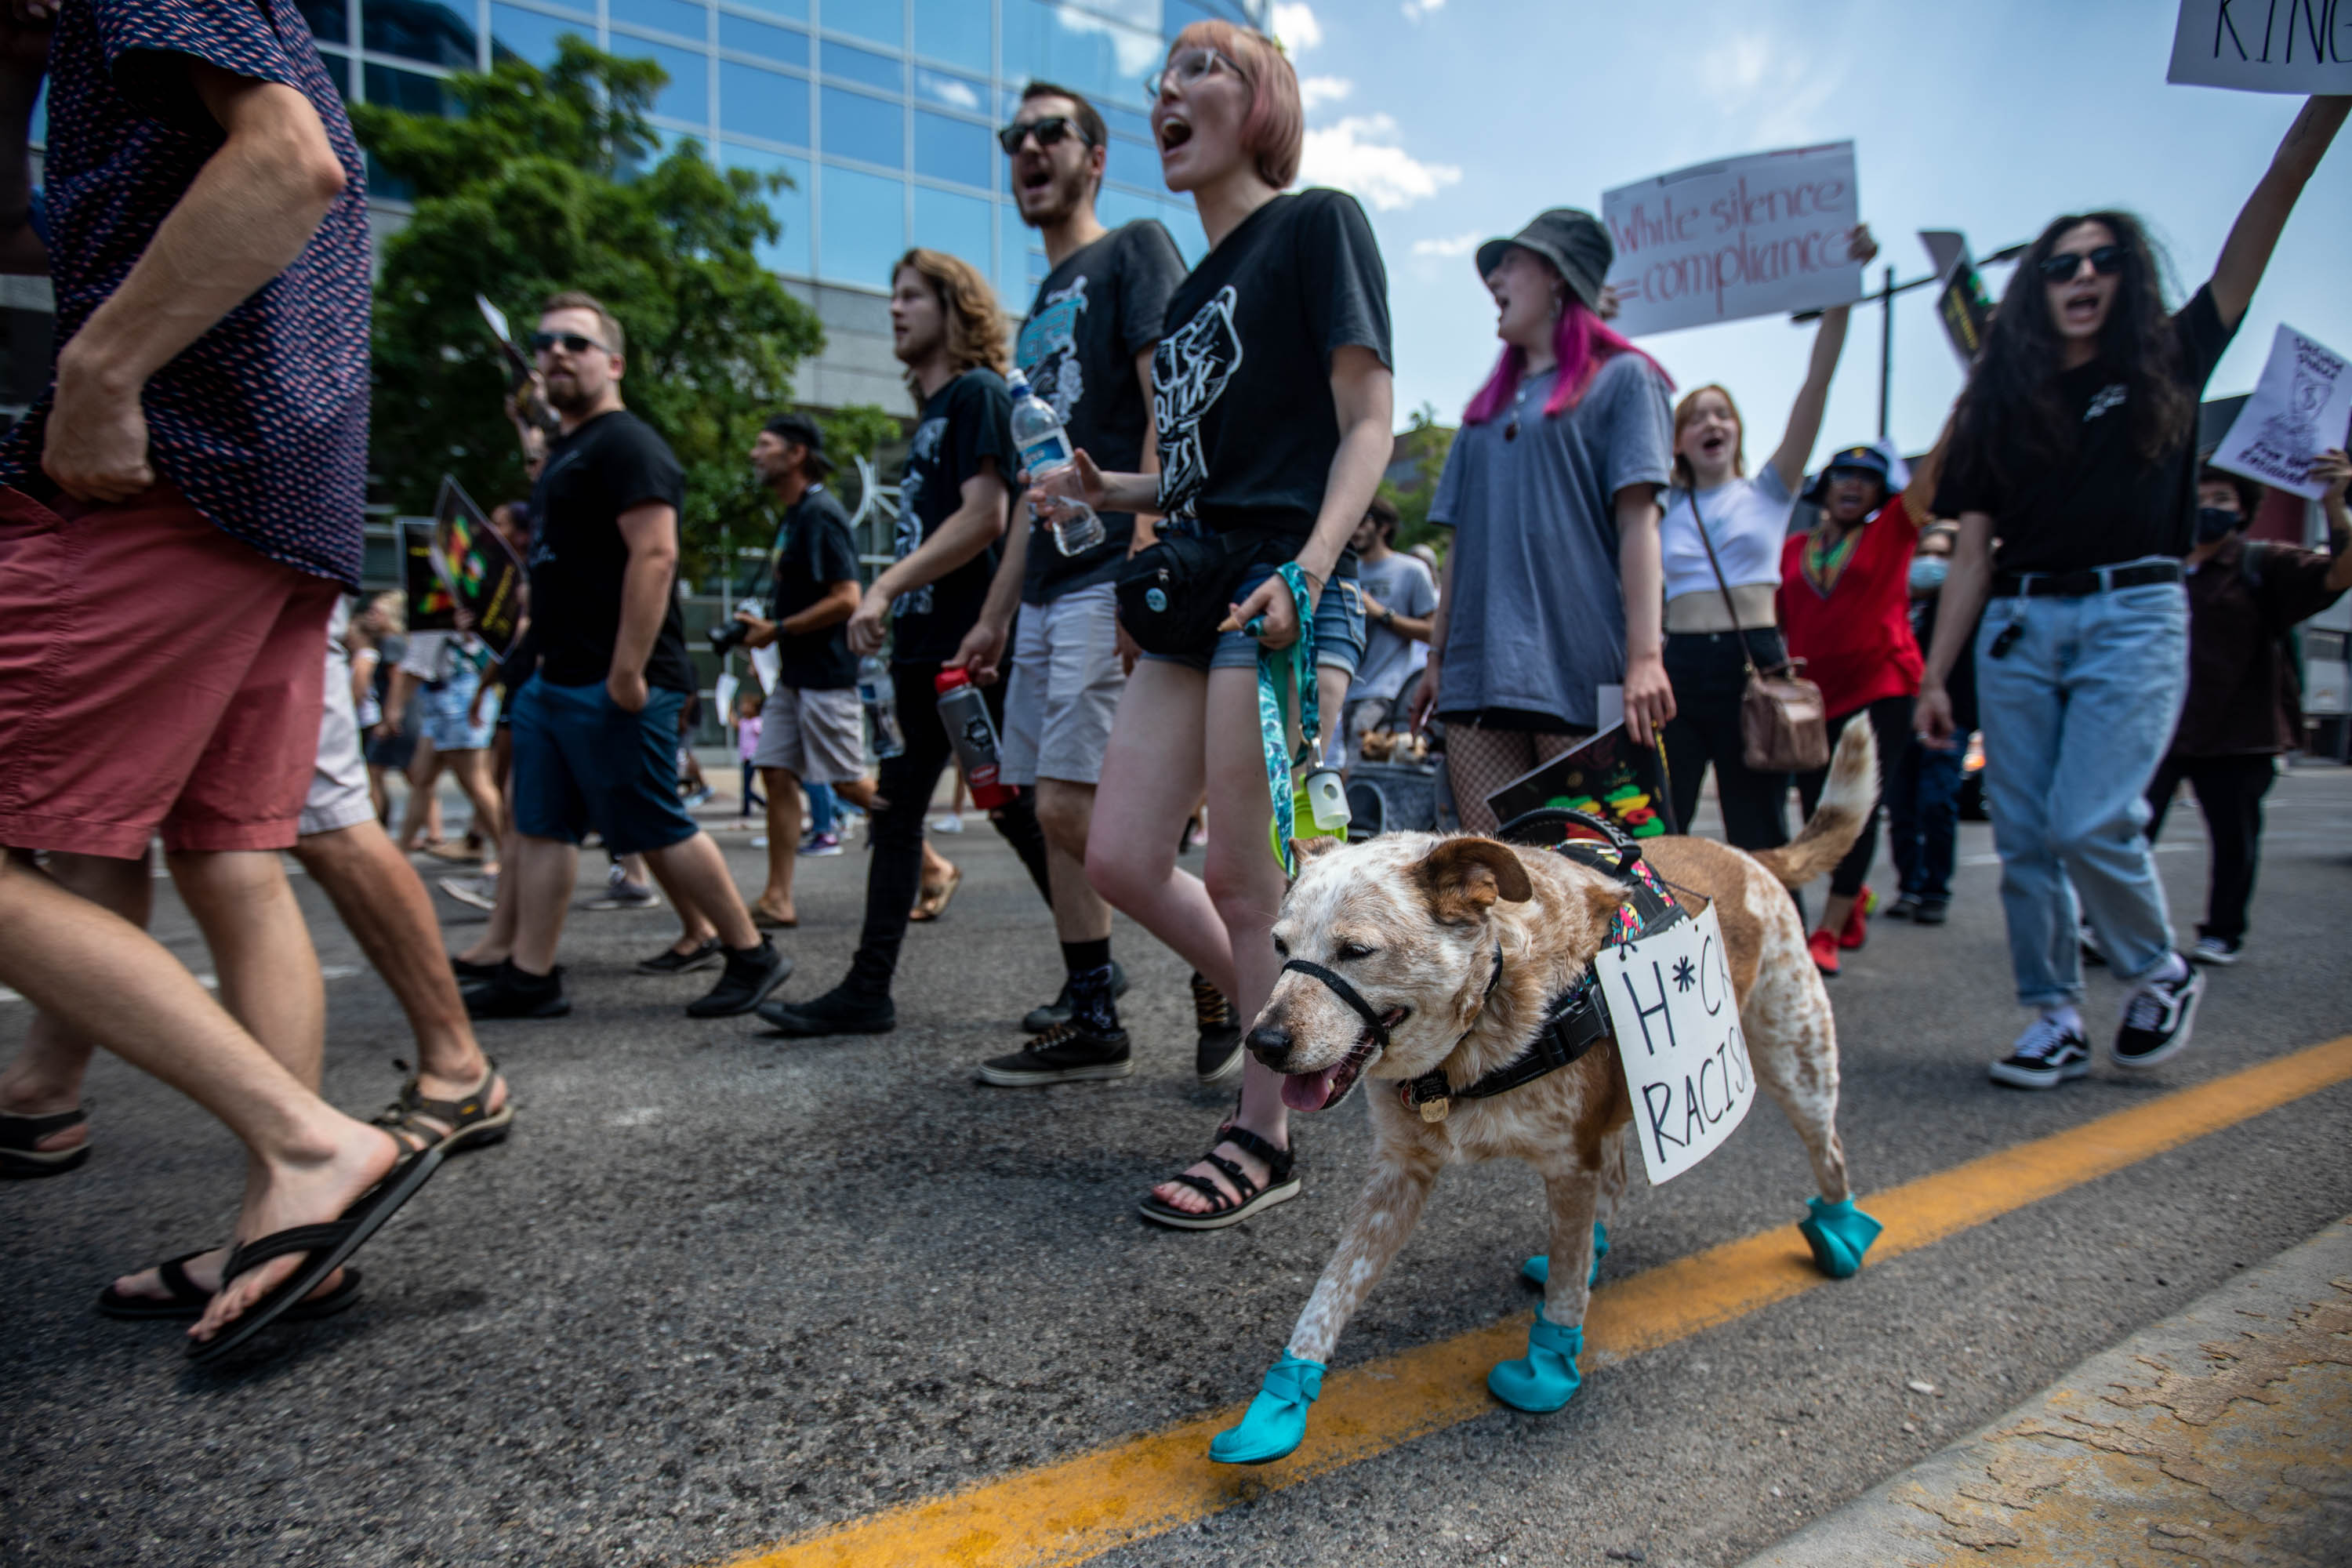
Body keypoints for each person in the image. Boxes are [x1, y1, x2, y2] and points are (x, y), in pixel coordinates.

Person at [0, 0, 443, 1347]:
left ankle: (306, 1143)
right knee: (230, 855)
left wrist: (101, 368)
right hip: (276, 493)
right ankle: (286, 1217)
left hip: (172, 469)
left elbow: (286, 160)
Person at [1919, 95, 2348, 1089]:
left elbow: (2272, 202)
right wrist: (1937, 676)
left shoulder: (2173, 354)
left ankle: (2159, 966)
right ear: (2037, 288)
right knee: (2025, 836)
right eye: (2061, 263)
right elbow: (1973, 551)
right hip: (2020, 624)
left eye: (2102, 260)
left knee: (2089, 820)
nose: (2081, 276)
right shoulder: (2002, 402)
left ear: (2130, 277)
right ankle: (2053, 1014)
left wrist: (2323, 112)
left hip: (2134, 614)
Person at [1057, 22, 1385, 1226]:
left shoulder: (1318, 225)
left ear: (1264, 103)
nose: (1168, 94)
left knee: (1252, 883)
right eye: (1162, 80)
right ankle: (1303, 1018)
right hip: (1197, 587)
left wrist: (1310, 570)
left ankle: (1264, 1134)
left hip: (1279, 589)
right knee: (1122, 856)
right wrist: (1113, 493)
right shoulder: (1190, 293)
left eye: (1202, 71)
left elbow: (1367, 423)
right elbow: (1202, 475)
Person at [952, 80, 1193, 1084]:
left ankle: (1211, 961)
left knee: (1069, 803)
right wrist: (996, 610)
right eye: (1015, 137)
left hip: (1109, 567)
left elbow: (1163, 400)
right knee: (1049, 804)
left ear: (1096, 156)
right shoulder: (1041, 309)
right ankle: (1092, 1002)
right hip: (1048, 580)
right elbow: (1025, 484)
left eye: (1052, 132)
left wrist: (1146, 551)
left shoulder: (1133, 249)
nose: (1029, 149)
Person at [464, 290, 789, 1020]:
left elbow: (656, 555)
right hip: (554, 679)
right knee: (539, 826)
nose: (554, 353)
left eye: (574, 343)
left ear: (612, 362)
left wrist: (626, 671)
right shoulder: (565, 454)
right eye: (545, 341)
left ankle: (751, 954)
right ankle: (530, 975)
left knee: (652, 822)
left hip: (616, 680)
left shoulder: (627, 444)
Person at [756, 251, 1056, 1039]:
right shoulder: (933, 413)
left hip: (967, 647)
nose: (895, 309)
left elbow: (987, 513)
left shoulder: (978, 395)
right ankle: (869, 985)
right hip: (927, 648)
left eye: (911, 296)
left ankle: (1090, 960)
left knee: (1007, 808)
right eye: (891, 294)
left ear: (954, 307)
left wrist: (884, 586)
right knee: (909, 813)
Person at [1407, 207, 1675, 830]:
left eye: (1511, 264)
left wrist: (1644, 658)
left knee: (1595, 887)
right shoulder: (1481, 411)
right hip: (1477, 676)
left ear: (1558, 278)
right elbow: (1459, 549)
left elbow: (1641, 525)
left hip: (1579, 669)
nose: (1494, 279)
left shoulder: (1627, 381)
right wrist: (1439, 659)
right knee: (1492, 890)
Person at [1653, 228, 1875, 852]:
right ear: (1676, 440)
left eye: (1722, 414)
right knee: (1663, 824)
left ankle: (1782, 940)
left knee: (1760, 826)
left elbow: (1816, 387)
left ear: (1738, 430)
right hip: (1678, 665)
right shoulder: (1660, 505)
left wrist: (1840, 298)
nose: (1711, 424)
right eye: (1696, 416)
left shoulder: (1770, 490)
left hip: (1755, 661)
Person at [2147, 452, 2352, 964]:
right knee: (2124, 834)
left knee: (2234, 839)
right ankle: (2108, 926)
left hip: (2237, 730)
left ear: (2243, 510)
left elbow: (2339, 575)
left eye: (2222, 499)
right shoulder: (2156, 570)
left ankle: (2222, 932)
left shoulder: (2265, 565)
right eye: (2199, 498)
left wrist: (2335, 503)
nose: (2208, 508)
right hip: (2155, 727)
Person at [1779, 440, 1933, 975]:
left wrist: (1971, 399)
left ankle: (1829, 928)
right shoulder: (1794, 546)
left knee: (1858, 808)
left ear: (1880, 491)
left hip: (1881, 686)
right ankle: (1855, 893)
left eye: (1866, 478)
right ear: (1825, 485)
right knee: (1815, 811)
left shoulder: (1891, 528)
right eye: (1843, 474)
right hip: (1810, 701)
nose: (1853, 485)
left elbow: (1933, 475)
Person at [732, 412, 880, 928]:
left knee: (847, 783)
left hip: (824, 673)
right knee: (774, 772)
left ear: (796, 454)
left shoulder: (821, 513)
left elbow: (847, 598)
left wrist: (778, 629)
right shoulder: (795, 516)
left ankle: (929, 865)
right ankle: (777, 896)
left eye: (764, 444)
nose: (755, 454)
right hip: (794, 678)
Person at [1885, 522, 1973, 925]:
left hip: (1945, 718)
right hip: (1898, 718)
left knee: (1936, 803)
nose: (1929, 563)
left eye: (1941, 555)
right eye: (1924, 553)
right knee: (1901, 807)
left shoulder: (1959, 611)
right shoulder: (1897, 603)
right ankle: (1909, 886)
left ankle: (1935, 890)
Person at [385, 624, 504, 871]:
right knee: (422, 777)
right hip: (445, 699)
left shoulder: (438, 614)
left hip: (457, 700)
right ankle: (400, 854)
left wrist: (394, 709)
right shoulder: (450, 612)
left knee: (476, 782)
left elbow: (415, 667)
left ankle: (508, 853)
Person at [1341, 495, 1435, 769]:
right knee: (1346, 769)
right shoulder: (1346, 572)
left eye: (1361, 522)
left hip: (1389, 692)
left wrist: (1381, 612)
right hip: (1346, 691)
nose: (1353, 530)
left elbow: (1434, 631)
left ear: (1382, 527)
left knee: (1364, 770)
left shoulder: (1411, 571)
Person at [735, 686, 766, 818]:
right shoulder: (744, 722)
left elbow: (763, 734)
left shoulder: (756, 722)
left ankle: (763, 803)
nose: (742, 708)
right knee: (745, 786)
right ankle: (746, 809)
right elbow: (734, 723)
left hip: (753, 757)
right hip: (745, 758)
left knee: (747, 786)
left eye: (746, 705)